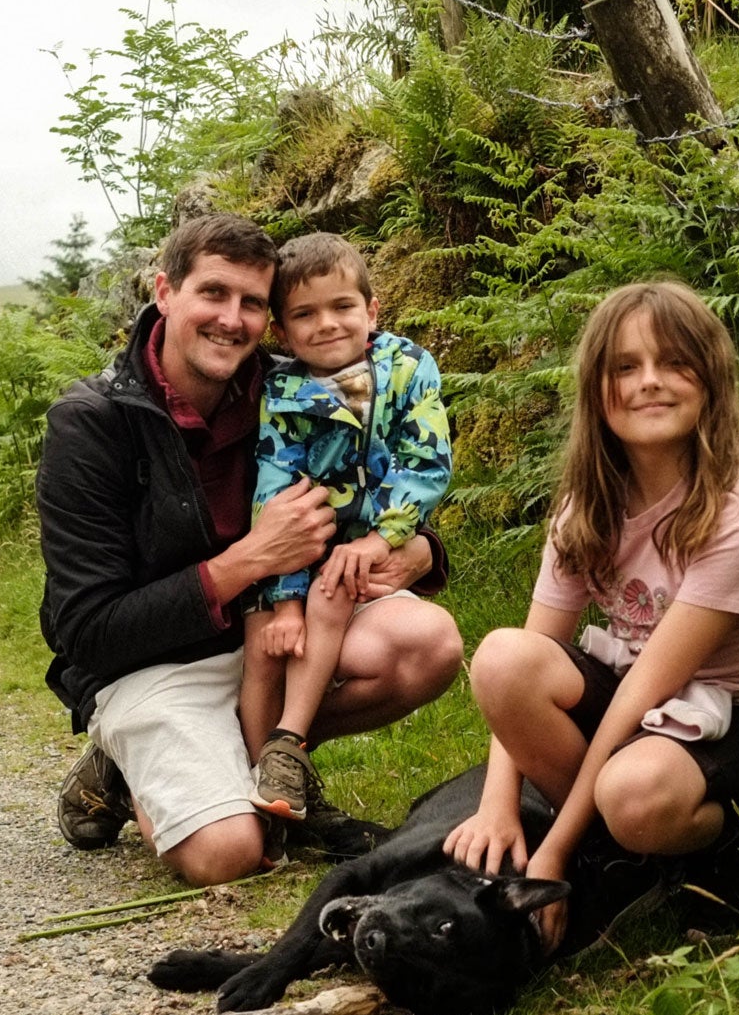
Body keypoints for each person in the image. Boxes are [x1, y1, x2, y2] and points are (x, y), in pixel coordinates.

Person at [35, 213, 464, 886]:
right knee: (226, 854)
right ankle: (133, 765)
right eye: (213, 292)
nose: (231, 319)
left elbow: (369, 474)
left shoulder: (289, 382)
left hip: (278, 631)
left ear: (271, 319)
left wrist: (419, 551)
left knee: (427, 643)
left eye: (252, 303)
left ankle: (270, 766)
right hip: (156, 663)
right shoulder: (91, 424)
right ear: (165, 292)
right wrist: (251, 560)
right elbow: (85, 630)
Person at [441, 280, 739, 943]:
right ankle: (622, 851)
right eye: (626, 366)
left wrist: (552, 851)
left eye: (674, 362)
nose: (650, 382)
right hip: (643, 703)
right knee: (502, 660)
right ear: (597, 390)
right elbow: (532, 653)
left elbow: (644, 689)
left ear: (711, 381)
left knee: (632, 793)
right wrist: (496, 804)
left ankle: (727, 846)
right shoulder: (587, 508)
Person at [240, 234, 453, 832]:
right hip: (296, 550)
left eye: (342, 307)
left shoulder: (409, 368)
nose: (326, 324)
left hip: (363, 551)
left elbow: (427, 461)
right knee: (267, 651)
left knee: (336, 589)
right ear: (282, 332)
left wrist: (383, 538)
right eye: (304, 314)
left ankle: (286, 748)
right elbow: (274, 489)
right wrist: (283, 598)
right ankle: (266, 790)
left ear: (373, 311)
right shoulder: (283, 394)